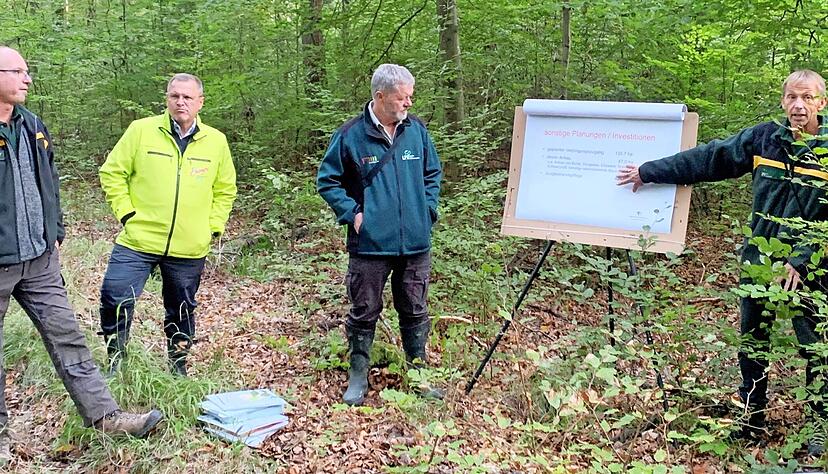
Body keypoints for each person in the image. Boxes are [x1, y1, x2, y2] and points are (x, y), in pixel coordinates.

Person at [617, 70, 828, 454]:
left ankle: (819, 427)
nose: (799, 106)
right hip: (760, 261)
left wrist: (801, 259)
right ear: (783, 101)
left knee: (815, 348)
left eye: (808, 98)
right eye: (792, 98)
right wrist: (649, 171)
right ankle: (751, 420)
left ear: (821, 103)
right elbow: (710, 158)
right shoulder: (765, 139)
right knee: (752, 343)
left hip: (810, 268)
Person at [0, 46, 163, 461]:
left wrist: (55, 229)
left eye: (27, 70)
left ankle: (105, 417)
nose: (27, 78)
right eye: (17, 71)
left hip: (38, 258)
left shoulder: (32, 125)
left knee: (68, 337)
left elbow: (48, 180)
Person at [317, 64, 443, 406]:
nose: (408, 104)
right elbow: (327, 180)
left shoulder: (416, 131)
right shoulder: (350, 135)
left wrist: (427, 210)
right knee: (364, 310)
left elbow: (433, 173)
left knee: (414, 309)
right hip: (370, 245)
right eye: (402, 98)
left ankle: (418, 377)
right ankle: (358, 377)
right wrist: (354, 216)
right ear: (380, 96)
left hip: (416, 244)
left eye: (410, 97)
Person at [98, 73, 237, 377]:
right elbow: (111, 173)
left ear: (200, 102)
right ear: (167, 99)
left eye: (187, 97)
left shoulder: (215, 141)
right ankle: (115, 361)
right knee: (115, 296)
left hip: (189, 245)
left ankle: (178, 366)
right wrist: (126, 214)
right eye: (175, 96)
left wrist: (213, 227)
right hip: (139, 238)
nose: (180, 102)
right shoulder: (141, 131)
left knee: (182, 310)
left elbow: (225, 189)